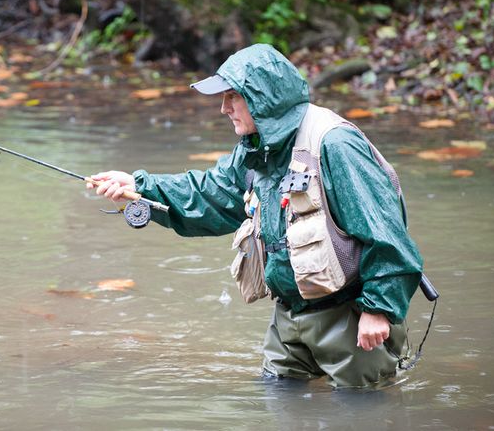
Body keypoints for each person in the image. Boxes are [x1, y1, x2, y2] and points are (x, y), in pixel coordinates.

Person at [87, 44, 423, 388]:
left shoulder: (335, 144)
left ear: (264, 98)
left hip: (351, 318)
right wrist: (140, 188)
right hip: (288, 317)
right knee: (277, 401)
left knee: (361, 413)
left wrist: (378, 309)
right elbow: (209, 195)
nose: (223, 108)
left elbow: (388, 233)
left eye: (233, 96)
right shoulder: (256, 148)